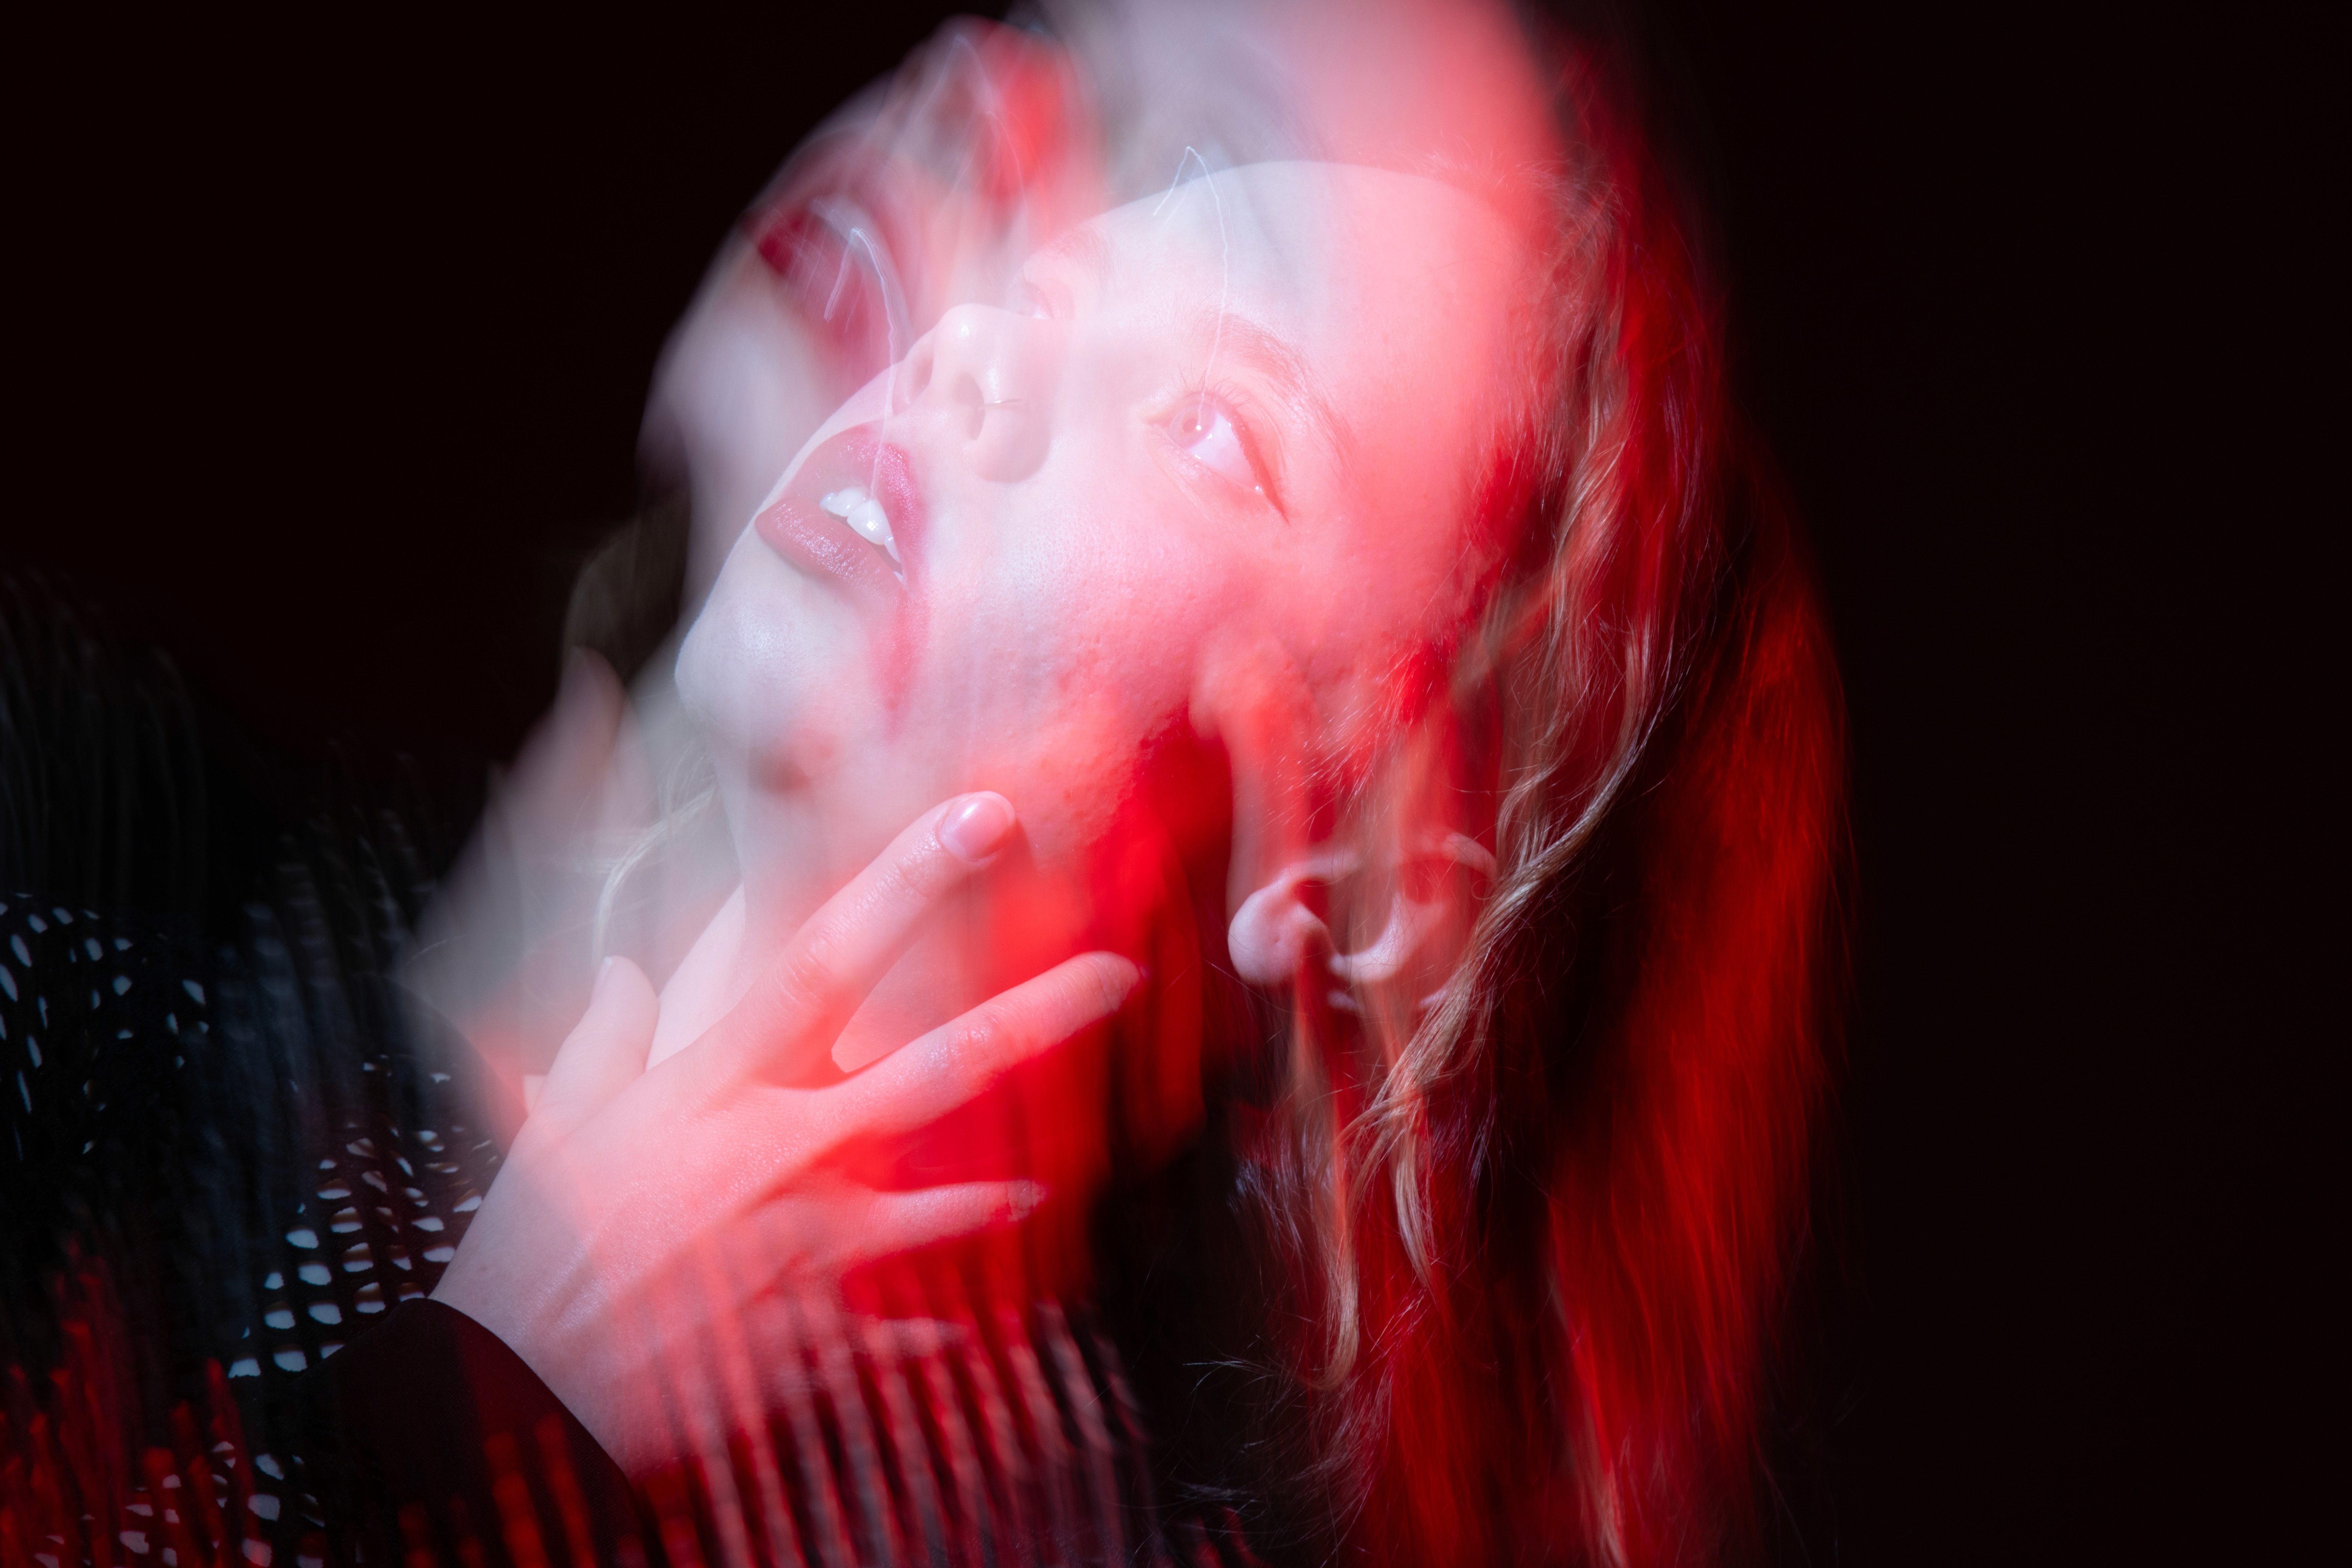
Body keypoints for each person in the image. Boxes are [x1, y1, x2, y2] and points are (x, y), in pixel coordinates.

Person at [3, 4, 1844, 1564]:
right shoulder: (86, 911)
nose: (988, 340)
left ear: (1347, 868)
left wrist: (471, 1435)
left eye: (1214, 418)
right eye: (1067, 94)